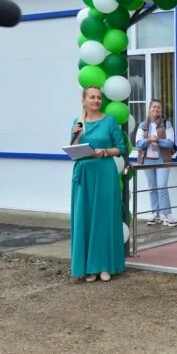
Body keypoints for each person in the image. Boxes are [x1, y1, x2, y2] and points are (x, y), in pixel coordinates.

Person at [69, 86, 127, 283]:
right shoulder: (77, 123)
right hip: (84, 174)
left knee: (104, 217)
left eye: (98, 97)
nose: (96, 100)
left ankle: (104, 265)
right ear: (83, 100)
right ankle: (88, 267)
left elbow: (120, 148)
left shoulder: (109, 121)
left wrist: (105, 151)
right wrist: (76, 135)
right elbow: (73, 151)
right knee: (85, 217)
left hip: (104, 172)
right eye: (92, 97)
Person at [136, 100, 177, 227]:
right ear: (149, 108)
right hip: (147, 160)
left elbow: (170, 143)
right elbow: (138, 143)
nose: (156, 109)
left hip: (162, 159)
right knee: (153, 188)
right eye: (154, 107)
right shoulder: (143, 125)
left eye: (159, 107)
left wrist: (157, 140)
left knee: (162, 186)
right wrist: (149, 140)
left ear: (161, 110)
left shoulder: (166, 124)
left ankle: (167, 215)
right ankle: (155, 214)